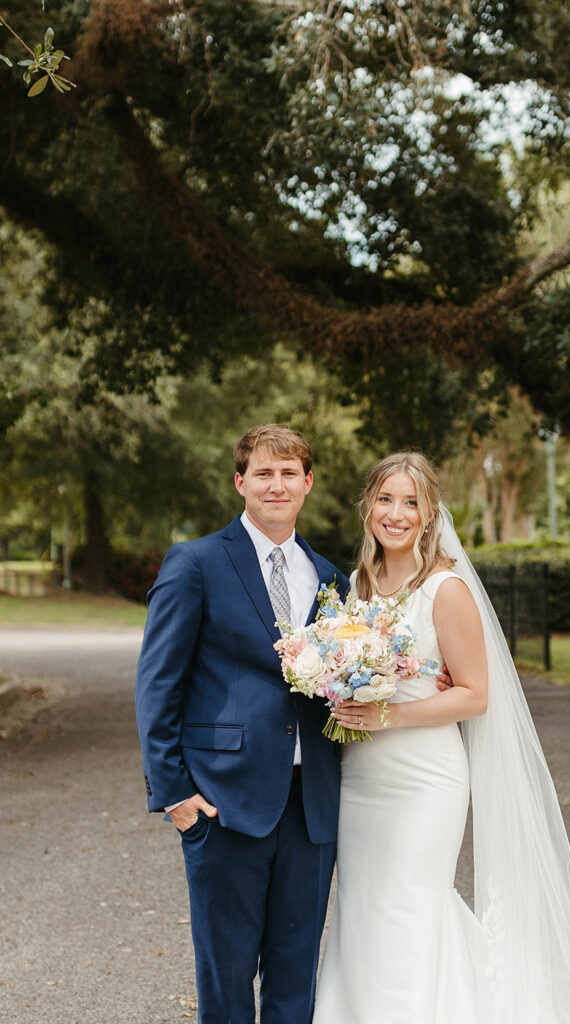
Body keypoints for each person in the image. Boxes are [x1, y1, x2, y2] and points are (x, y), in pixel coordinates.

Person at [313, 451, 570, 1024]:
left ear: (431, 512)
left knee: (410, 905)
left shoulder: (446, 589)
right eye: (386, 499)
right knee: (361, 907)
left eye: (411, 502)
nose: (397, 513)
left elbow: (474, 695)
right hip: (360, 776)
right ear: (368, 507)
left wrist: (391, 716)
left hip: (424, 776)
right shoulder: (356, 586)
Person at [134, 424, 349, 1024]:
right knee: (226, 978)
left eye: (288, 474)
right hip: (222, 800)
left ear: (307, 484)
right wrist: (174, 792)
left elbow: (341, 682)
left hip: (312, 807)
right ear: (240, 482)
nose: (276, 485)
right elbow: (158, 684)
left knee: (294, 973)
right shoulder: (196, 562)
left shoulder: (332, 578)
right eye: (263, 473)